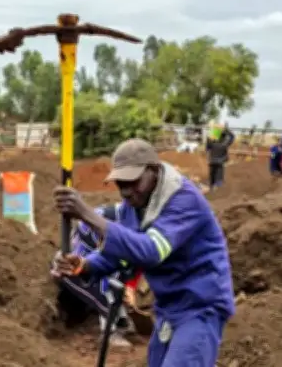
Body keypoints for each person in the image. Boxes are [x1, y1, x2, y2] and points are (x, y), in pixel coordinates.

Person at [52, 138, 235, 367]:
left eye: (133, 182)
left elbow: (150, 251)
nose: (127, 191)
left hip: (200, 306)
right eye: (121, 184)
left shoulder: (184, 199)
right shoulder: (136, 204)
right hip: (169, 308)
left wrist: (86, 214)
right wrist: (83, 265)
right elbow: (124, 255)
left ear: (154, 171)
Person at [53, 203, 144, 348]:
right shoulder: (113, 222)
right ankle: (110, 332)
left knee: (121, 269)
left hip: (93, 258)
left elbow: (139, 258)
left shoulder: (140, 224)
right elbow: (107, 261)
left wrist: (131, 288)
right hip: (73, 263)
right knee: (112, 277)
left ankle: (119, 319)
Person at [205, 125, 235, 191]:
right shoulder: (225, 142)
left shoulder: (211, 141)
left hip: (212, 160)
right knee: (219, 174)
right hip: (221, 161)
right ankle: (218, 186)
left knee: (212, 174)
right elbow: (232, 136)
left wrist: (212, 132)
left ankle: (212, 186)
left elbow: (207, 148)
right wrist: (227, 130)